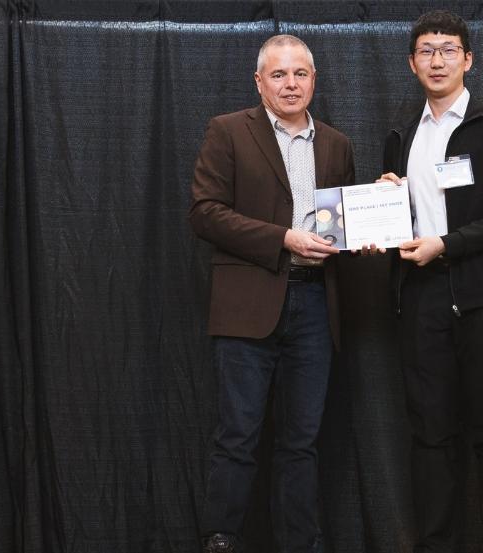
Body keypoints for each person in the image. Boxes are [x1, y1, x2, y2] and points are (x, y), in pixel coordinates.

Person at [189, 34, 355, 553]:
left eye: (300, 74)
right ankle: (222, 540)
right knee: (237, 438)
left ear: (314, 81)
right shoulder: (227, 132)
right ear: (258, 82)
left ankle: (301, 543)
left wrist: (379, 217)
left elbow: (342, 227)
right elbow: (205, 213)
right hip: (249, 306)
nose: (290, 84)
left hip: (314, 307)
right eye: (278, 75)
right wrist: (282, 239)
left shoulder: (336, 143)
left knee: (301, 444)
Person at [379, 10, 483, 553]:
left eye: (448, 49)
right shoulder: (403, 134)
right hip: (421, 298)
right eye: (426, 50)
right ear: (411, 63)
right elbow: (403, 218)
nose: (437, 59)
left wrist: (449, 243)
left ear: (468, 59)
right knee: (431, 435)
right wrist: (386, 206)